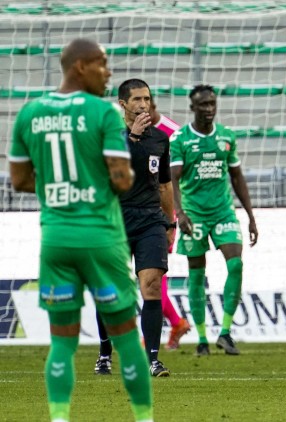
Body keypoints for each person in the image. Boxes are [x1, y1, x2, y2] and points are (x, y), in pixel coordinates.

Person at [9, 38, 152, 421]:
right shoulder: (102, 113)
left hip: (56, 240)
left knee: (62, 342)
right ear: (80, 67)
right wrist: (92, 176)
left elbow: (19, 180)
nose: (108, 73)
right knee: (125, 337)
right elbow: (122, 180)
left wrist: (59, 181)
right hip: (100, 240)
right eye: (103, 64)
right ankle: (144, 418)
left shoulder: (30, 113)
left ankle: (58, 417)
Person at [94, 79, 174, 378]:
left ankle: (153, 359)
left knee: (151, 285)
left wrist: (171, 223)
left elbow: (165, 185)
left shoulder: (160, 139)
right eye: (137, 99)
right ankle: (105, 353)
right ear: (122, 104)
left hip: (150, 220)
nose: (143, 104)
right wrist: (132, 137)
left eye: (147, 99)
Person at [170, 84, 258, 357]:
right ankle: (201, 338)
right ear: (192, 108)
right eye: (203, 105)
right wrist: (180, 213)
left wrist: (251, 216)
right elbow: (172, 178)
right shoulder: (180, 139)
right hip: (194, 214)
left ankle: (225, 332)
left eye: (212, 104)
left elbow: (237, 177)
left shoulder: (226, 137)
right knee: (197, 272)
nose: (209, 109)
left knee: (236, 264)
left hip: (223, 211)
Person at [149, 100, 192, 350]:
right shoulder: (133, 131)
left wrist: (175, 214)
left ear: (153, 106)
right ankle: (174, 323)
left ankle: (171, 324)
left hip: (164, 212)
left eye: (146, 105)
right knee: (150, 275)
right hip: (138, 210)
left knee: (152, 275)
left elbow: (178, 176)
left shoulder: (172, 133)